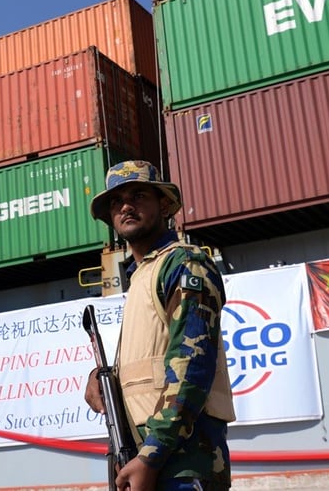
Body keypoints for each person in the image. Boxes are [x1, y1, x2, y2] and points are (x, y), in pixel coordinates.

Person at [84, 160, 235, 491]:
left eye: (138, 195)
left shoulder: (183, 263)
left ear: (164, 205)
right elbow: (152, 364)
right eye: (116, 201)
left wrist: (151, 456)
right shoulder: (142, 275)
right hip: (147, 456)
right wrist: (105, 377)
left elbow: (191, 363)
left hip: (182, 461)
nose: (126, 206)